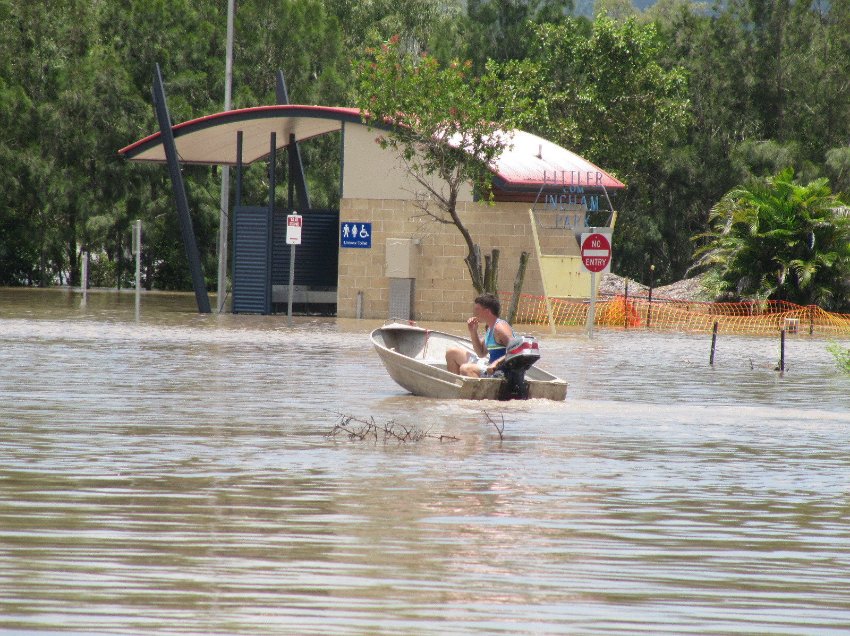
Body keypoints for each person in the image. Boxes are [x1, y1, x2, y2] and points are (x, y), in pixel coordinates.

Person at [445, 293, 514, 377]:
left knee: (465, 368)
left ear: (487, 311)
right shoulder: (490, 328)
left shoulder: (500, 327)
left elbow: (516, 349)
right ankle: (456, 388)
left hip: (499, 371)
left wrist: (496, 363)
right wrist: (473, 331)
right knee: (452, 353)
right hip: (489, 365)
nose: (475, 313)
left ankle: (477, 389)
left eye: (477, 309)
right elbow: (481, 353)